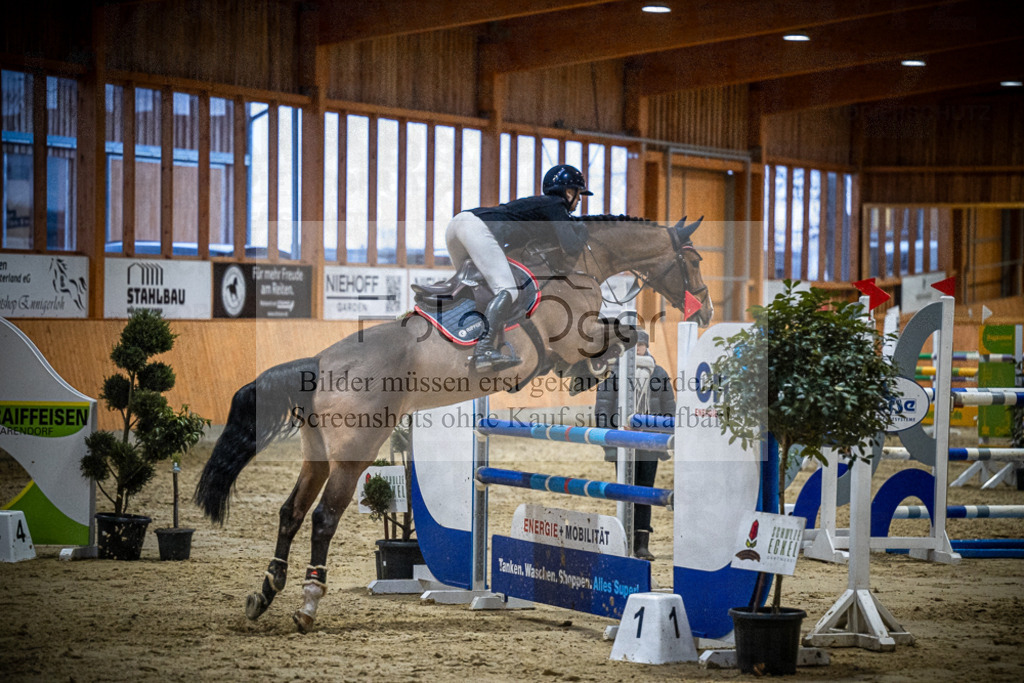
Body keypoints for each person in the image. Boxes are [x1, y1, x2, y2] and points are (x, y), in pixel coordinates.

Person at [445, 164, 592, 372]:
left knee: (476, 288)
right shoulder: (556, 204)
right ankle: (484, 350)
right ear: (568, 192)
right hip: (476, 228)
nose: (578, 201)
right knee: (508, 290)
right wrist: (583, 230)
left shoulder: (541, 209)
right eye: (578, 195)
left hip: (457, 225)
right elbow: (570, 245)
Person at [594, 330, 675, 560]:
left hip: (649, 442)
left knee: (645, 491)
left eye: (641, 345)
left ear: (646, 346)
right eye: (634, 345)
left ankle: (641, 543)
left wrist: (663, 437)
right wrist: (610, 437)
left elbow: (670, 409)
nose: (638, 348)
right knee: (626, 492)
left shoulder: (658, 373)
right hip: (623, 441)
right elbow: (603, 407)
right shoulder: (614, 373)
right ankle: (623, 539)